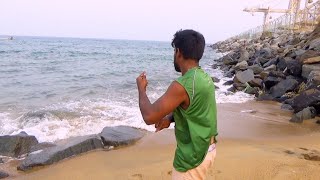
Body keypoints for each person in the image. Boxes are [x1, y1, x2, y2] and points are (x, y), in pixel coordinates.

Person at [136, 29, 218, 180]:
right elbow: (193, 107)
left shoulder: (182, 85)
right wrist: (170, 118)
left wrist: (141, 89)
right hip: (208, 148)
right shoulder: (204, 77)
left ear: (178, 52)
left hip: (192, 158)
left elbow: (149, 116)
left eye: (174, 51)